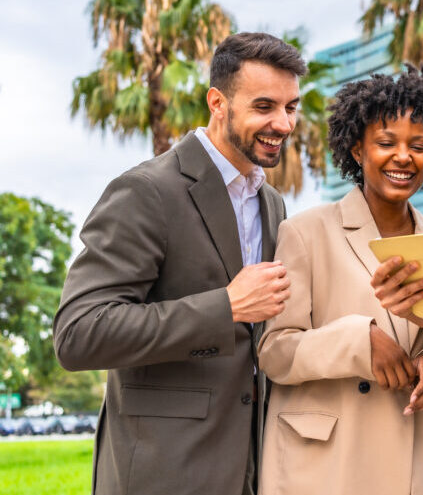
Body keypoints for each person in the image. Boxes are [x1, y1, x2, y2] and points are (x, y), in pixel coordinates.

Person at [53, 32, 306, 495]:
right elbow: (79, 333)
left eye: (291, 107)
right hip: (162, 471)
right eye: (265, 106)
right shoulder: (147, 191)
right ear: (218, 102)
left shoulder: (271, 203)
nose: (284, 124)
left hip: (250, 470)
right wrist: (225, 307)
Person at [257, 68, 423, 495]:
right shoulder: (305, 232)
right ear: (357, 150)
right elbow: (275, 352)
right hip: (325, 465)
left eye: (418, 146)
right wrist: (359, 341)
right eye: (386, 143)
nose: (403, 157)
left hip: (411, 457)